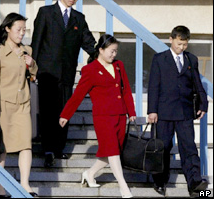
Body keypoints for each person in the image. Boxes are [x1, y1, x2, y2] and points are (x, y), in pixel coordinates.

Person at [31, 0, 96, 168]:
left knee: (65, 111)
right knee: (48, 111)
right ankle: (48, 149)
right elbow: (36, 42)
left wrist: (102, 53)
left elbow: (90, 44)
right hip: (46, 73)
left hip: (67, 74)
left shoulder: (79, 19)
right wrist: (32, 69)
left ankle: (59, 148)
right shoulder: (46, 13)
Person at [59, 34, 136, 198]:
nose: (114, 54)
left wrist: (132, 112)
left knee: (111, 152)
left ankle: (89, 173)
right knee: (113, 151)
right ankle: (124, 187)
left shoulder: (119, 66)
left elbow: (126, 90)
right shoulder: (90, 70)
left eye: (116, 51)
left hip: (120, 115)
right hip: (103, 117)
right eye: (111, 51)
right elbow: (78, 95)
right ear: (101, 50)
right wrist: (66, 114)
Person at [147, 25, 209, 197]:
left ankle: (194, 183)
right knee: (163, 147)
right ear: (171, 39)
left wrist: (203, 104)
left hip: (185, 112)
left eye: (185, 44)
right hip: (164, 111)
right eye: (179, 43)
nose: (182, 47)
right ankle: (159, 181)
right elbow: (153, 86)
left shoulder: (191, 59)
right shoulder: (159, 59)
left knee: (189, 147)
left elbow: (197, 83)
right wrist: (152, 110)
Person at [0, 13, 38, 197]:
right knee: (2, 146)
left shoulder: (27, 50)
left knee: (26, 144)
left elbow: (33, 74)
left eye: (24, 30)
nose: (21, 33)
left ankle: (25, 184)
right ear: (7, 28)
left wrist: (32, 64)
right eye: (18, 29)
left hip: (23, 103)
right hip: (4, 103)